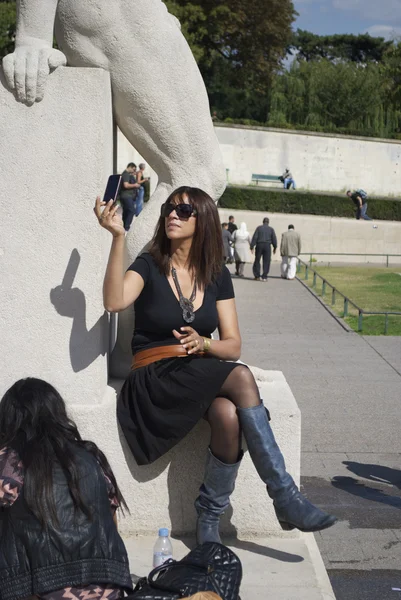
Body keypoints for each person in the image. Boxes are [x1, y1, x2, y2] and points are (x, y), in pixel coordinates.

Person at [94, 186, 337, 547]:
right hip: (154, 376)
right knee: (240, 375)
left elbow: (232, 343)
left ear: (203, 220)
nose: (172, 215)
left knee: (227, 415)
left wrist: (204, 343)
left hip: (196, 370)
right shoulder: (149, 263)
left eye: (184, 211)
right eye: (169, 209)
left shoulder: (217, 275)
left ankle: (208, 517)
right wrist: (118, 237)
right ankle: (284, 496)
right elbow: (115, 301)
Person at [0, 377, 133, 600]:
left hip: (41, 590)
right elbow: (111, 521)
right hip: (109, 589)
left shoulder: (10, 461)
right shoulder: (91, 457)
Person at [250, 217, 278, 282]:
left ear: (263, 222)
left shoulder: (259, 228)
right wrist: (275, 247)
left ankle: (257, 276)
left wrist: (252, 246)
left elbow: (255, 237)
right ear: (268, 222)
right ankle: (264, 276)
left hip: (259, 245)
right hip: (267, 245)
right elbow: (274, 238)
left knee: (257, 260)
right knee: (266, 261)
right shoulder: (271, 229)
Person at [120, 162, 141, 232]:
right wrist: (135, 185)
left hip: (126, 196)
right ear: (130, 167)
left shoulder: (126, 174)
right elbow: (126, 185)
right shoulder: (125, 174)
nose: (134, 171)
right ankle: (126, 227)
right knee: (131, 210)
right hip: (126, 196)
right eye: (133, 169)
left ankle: (123, 226)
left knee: (126, 211)